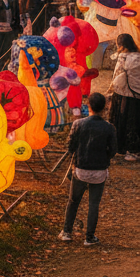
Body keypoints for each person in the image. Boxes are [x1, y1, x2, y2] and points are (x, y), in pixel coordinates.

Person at [58, 92, 116, 245]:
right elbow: (113, 150)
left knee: (73, 201)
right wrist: (104, 159)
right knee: (94, 204)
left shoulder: (78, 124)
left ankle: (67, 232)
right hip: (99, 172)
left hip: (80, 170)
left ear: (88, 105)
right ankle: (89, 237)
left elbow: (70, 147)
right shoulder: (109, 128)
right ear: (104, 108)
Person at [107, 33, 140, 161]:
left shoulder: (123, 58)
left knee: (123, 121)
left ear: (122, 46)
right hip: (137, 95)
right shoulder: (138, 57)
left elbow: (116, 77)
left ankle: (123, 148)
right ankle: (134, 150)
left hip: (124, 95)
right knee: (135, 122)